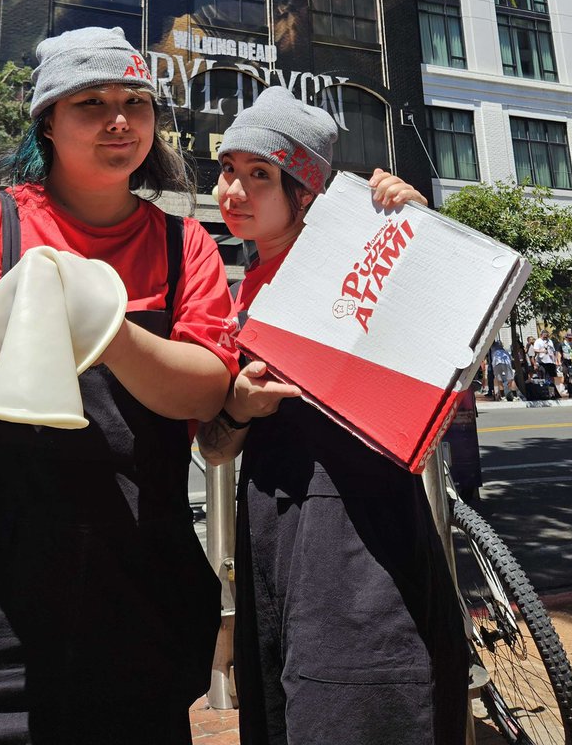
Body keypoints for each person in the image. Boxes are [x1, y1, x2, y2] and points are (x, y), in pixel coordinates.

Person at [0, 26, 237, 745]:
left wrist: (111, 333)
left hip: (134, 604)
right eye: (90, 102)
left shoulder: (184, 248)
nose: (119, 119)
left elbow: (206, 390)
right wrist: (10, 333)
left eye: (135, 101)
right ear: (48, 123)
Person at [197, 87, 467, 744]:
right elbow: (215, 449)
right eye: (230, 169)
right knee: (289, 701)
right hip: (271, 532)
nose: (234, 190)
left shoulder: (360, 266)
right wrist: (238, 406)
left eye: (261, 175)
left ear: (307, 192)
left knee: (361, 705)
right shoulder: (232, 296)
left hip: (360, 528)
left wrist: (416, 235)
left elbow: (440, 372)